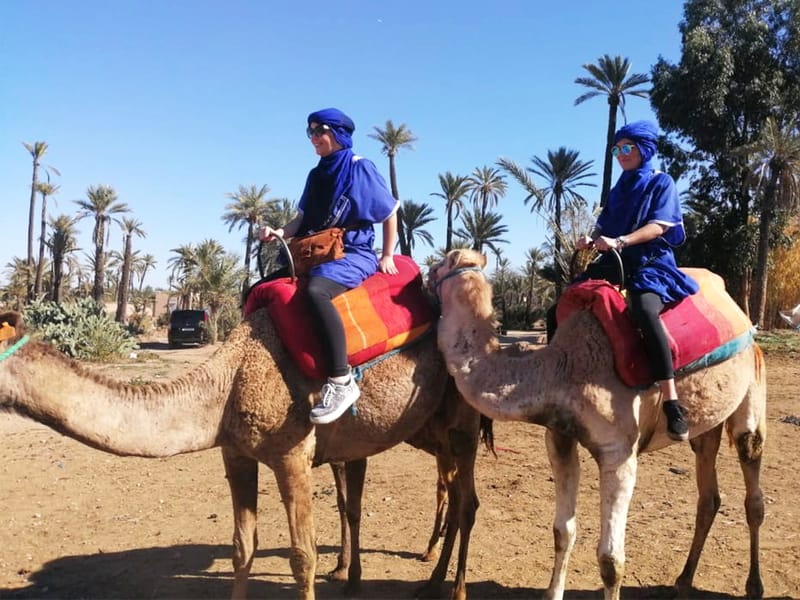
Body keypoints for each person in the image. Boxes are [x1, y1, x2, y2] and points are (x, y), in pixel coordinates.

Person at [259, 108, 398, 425]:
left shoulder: (359, 168)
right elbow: (301, 219)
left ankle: (341, 380)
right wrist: (278, 233)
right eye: (309, 133)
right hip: (317, 250)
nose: (313, 139)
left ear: (338, 133)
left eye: (319, 131)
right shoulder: (316, 174)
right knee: (264, 289)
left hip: (354, 251)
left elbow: (390, 212)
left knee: (318, 290)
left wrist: (387, 255)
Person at [575, 120, 699, 442]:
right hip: (615, 262)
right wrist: (591, 239)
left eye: (626, 148)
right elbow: (603, 227)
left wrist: (621, 241)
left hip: (650, 262)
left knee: (644, 310)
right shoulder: (619, 188)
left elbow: (659, 227)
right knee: (569, 299)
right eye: (616, 149)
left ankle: (671, 401)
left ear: (643, 149)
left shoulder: (662, 183)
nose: (620, 154)